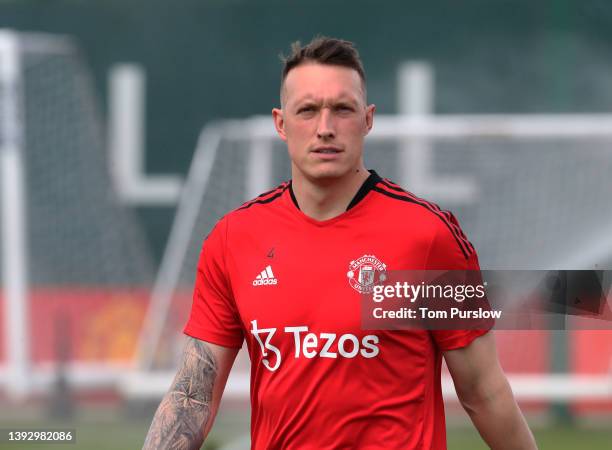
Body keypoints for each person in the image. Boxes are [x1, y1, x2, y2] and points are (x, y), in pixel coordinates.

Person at [143, 36, 537, 450]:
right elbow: (192, 396)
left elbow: (484, 392)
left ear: (368, 119)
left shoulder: (428, 235)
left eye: (342, 109)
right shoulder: (234, 239)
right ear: (281, 123)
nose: (325, 128)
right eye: (308, 110)